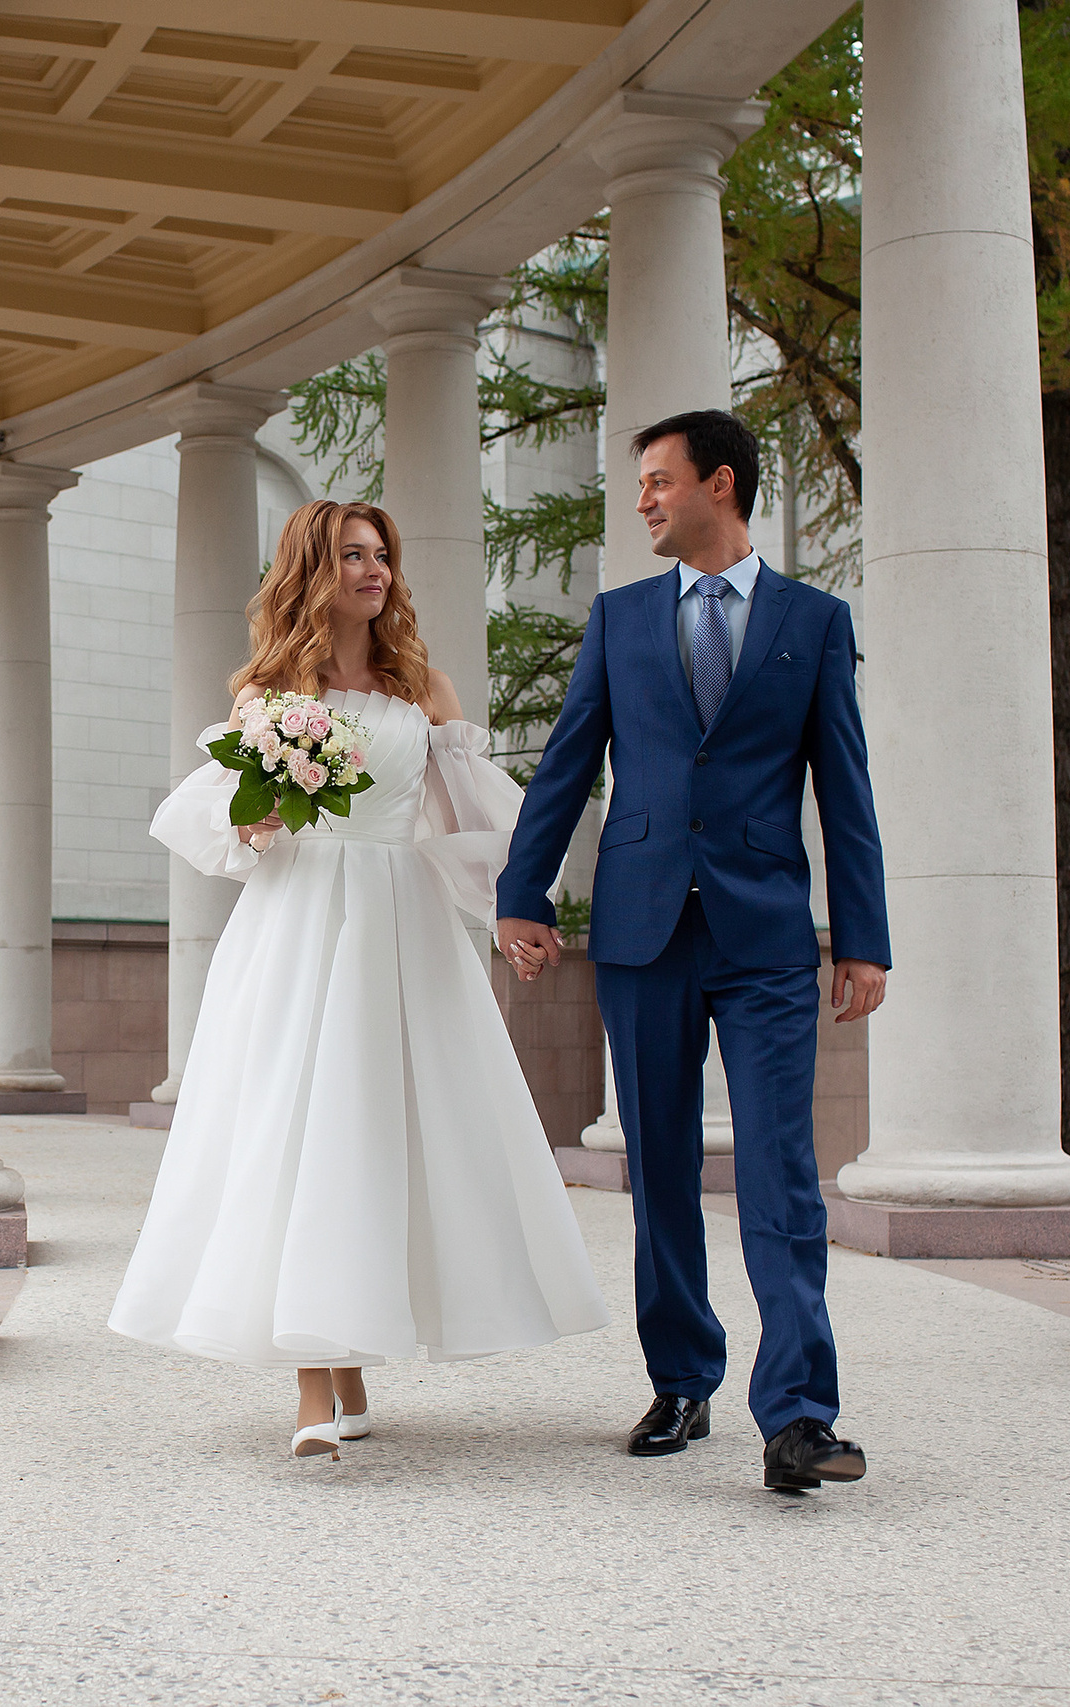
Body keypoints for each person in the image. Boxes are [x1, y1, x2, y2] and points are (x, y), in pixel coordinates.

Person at [110, 499, 608, 1461]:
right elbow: (224, 825)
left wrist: (510, 912)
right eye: (352, 555)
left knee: (380, 1134)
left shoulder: (424, 688)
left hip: (401, 924)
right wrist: (258, 818)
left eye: (382, 553)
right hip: (299, 922)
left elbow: (468, 818)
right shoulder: (269, 695)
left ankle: (349, 1361)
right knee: (301, 1129)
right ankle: (314, 1381)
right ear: (314, 569)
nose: (374, 570)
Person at [494, 409, 890, 1493]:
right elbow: (571, 762)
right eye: (640, 487)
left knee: (779, 1171)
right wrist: (522, 894)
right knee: (659, 1164)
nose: (644, 502)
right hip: (640, 928)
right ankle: (681, 1379)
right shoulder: (620, 619)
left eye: (660, 482)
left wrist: (862, 936)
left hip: (764, 932)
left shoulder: (811, 623)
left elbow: (844, 790)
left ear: (720, 483)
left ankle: (800, 1413)